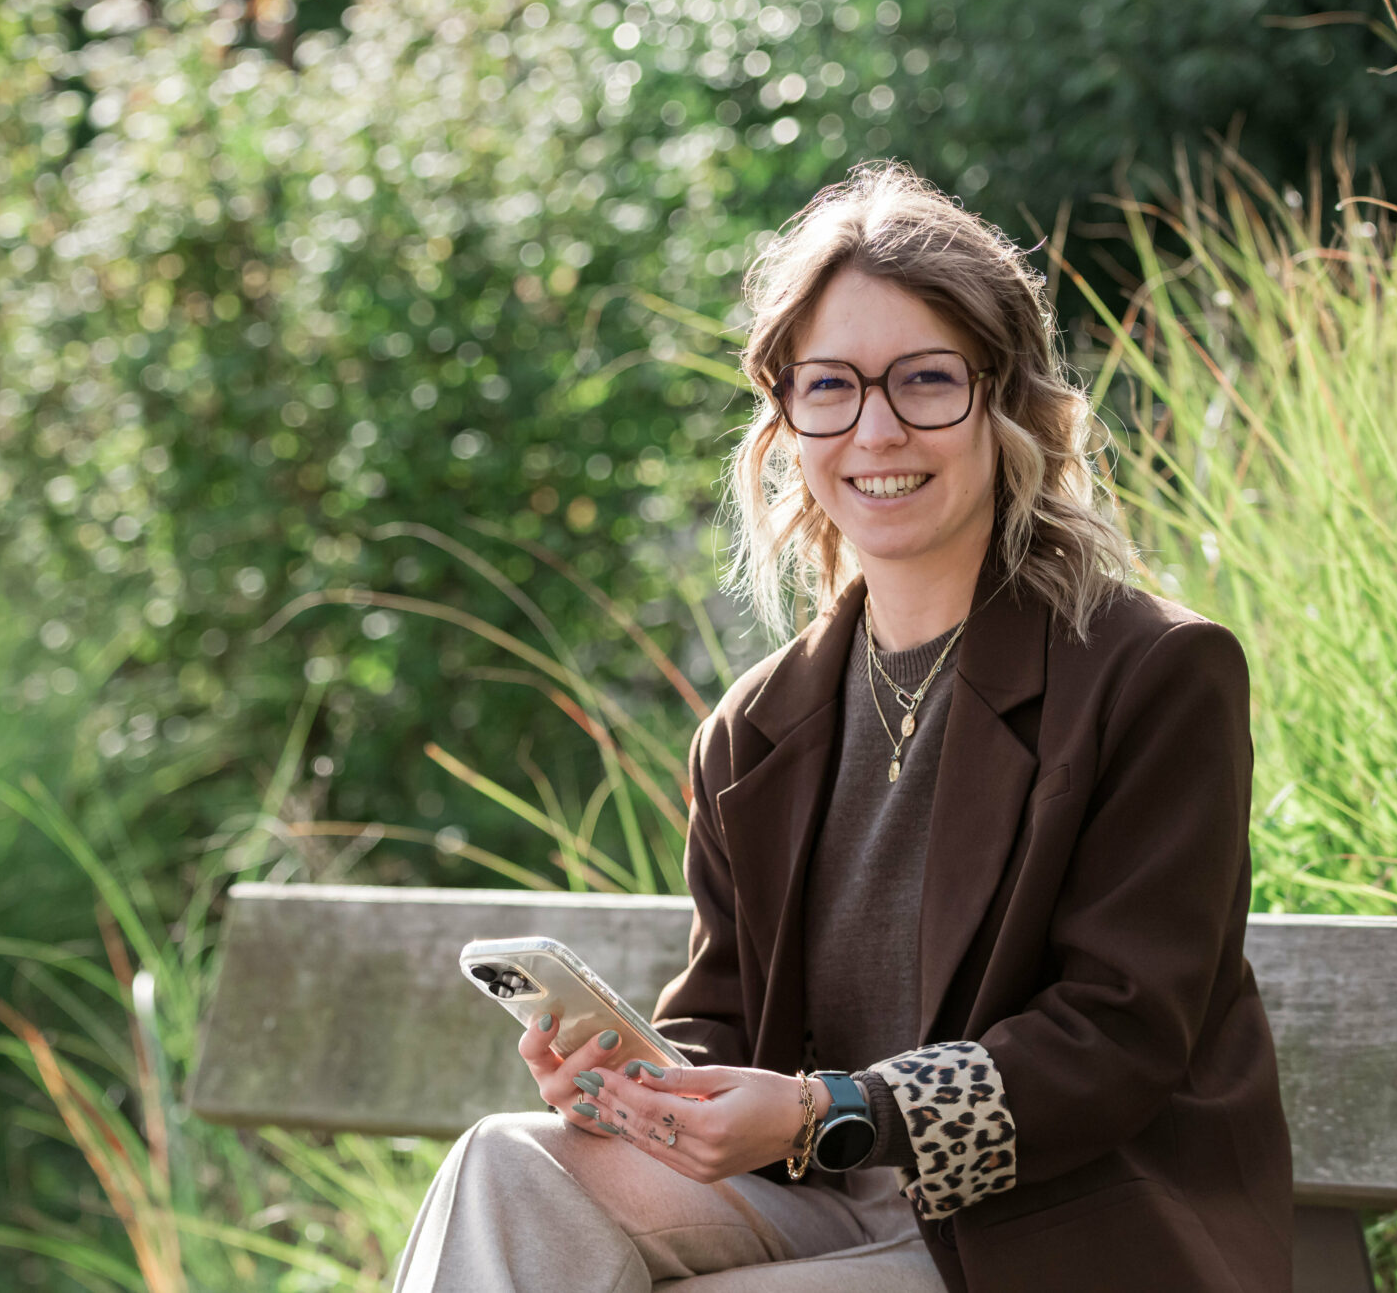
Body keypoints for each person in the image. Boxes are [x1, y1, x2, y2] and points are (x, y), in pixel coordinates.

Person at [393, 165, 1291, 1292]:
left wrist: (833, 1112)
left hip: (1056, 1232)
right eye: (830, 387)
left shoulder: (1150, 671)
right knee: (507, 1166)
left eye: (926, 380)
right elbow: (725, 1026)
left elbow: (1119, 1035)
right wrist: (634, 1089)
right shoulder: (754, 729)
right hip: (821, 1209)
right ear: (787, 419)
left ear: (1007, 402)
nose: (876, 429)